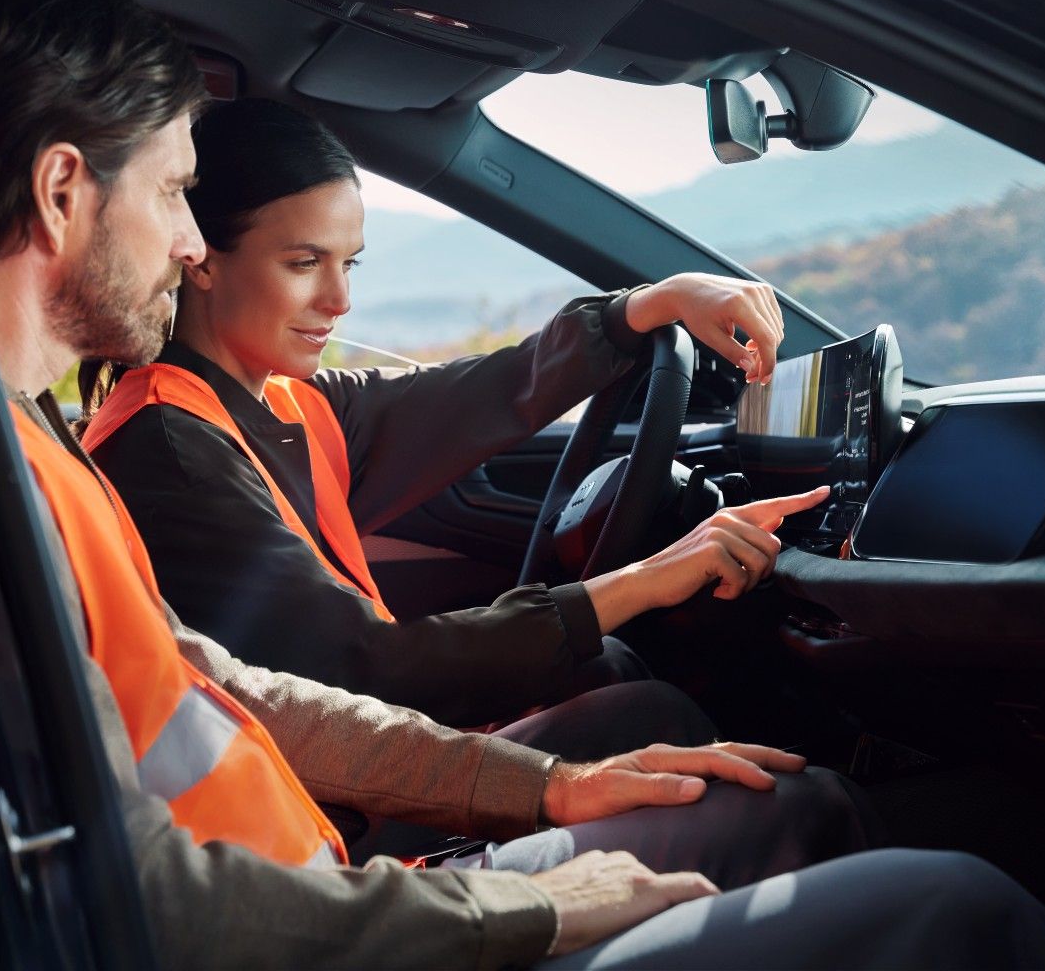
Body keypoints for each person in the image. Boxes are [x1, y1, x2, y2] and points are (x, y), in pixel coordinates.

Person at [0, 0, 1045, 969]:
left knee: (711, 773)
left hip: (335, 883)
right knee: (948, 904)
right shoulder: (47, 465)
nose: (185, 232)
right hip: (334, 916)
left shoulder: (38, 440)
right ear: (65, 191)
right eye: (175, 194)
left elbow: (244, 690)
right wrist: (534, 901)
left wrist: (548, 794)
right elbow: (161, 899)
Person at [77, 96, 815, 752]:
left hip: (376, 747)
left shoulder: (286, 405)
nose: (339, 300)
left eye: (350, 265)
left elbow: (480, 394)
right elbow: (365, 669)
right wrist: (643, 582)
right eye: (305, 262)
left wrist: (647, 306)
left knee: (609, 670)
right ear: (201, 259)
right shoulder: (168, 445)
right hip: (330, 814)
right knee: (656, 715)